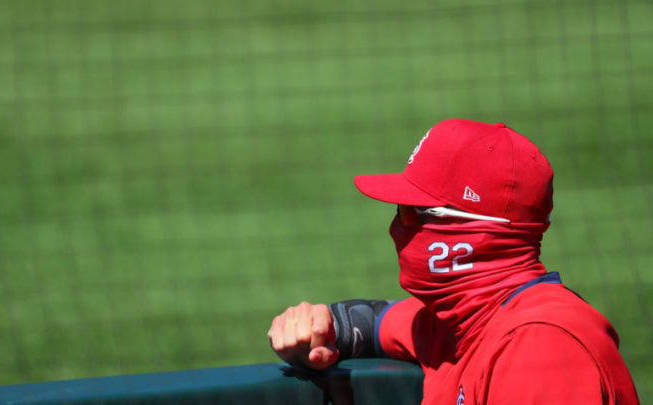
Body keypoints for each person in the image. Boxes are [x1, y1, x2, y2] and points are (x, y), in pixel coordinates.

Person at [267, 119, 639, 404]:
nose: (396, 228)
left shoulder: (542, 345)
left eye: (413, 213)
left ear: (476, 232)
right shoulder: (455, 324)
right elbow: (368, 322)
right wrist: (314, 328)